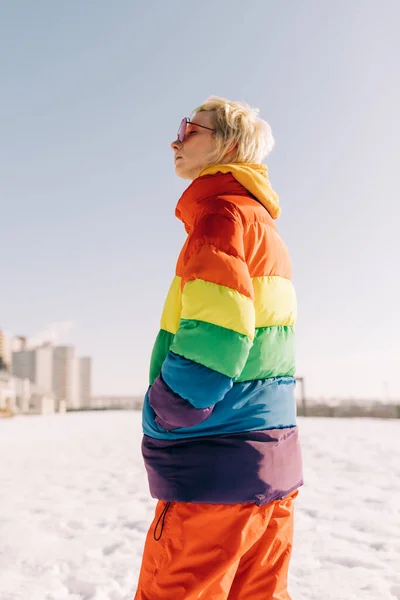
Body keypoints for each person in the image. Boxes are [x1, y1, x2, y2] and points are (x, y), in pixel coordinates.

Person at [134, 97, 303, 600]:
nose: (176, 140)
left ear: (227, 144)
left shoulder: (221, 216)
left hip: (214, 465)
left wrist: (167, 409)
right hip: (269, 463)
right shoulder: (262, 224)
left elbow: (219, 334)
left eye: (189, 128)